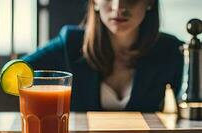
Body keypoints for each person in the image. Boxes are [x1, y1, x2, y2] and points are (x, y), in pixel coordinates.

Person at [22, 0, 184, 112]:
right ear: (94, 2)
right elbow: (20, 71)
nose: (118, 6)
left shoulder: (171, 49)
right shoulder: (71, 42)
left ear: (150, 2)